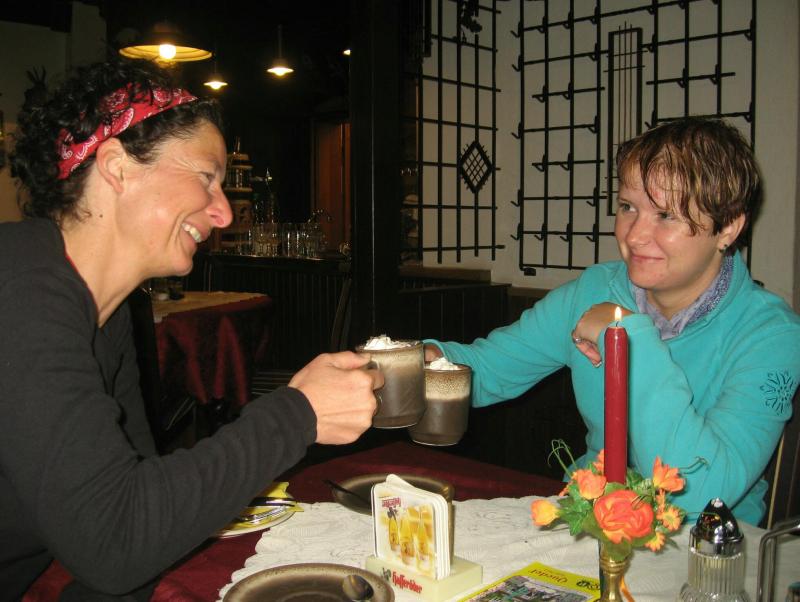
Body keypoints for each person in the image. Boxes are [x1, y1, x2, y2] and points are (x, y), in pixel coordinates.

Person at [1, 58, 382, 600]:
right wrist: (298, 414)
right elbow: (115, 541)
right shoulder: (19, 289)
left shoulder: (109, 313)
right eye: (206, 177)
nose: (223, 213)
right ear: (117, 167)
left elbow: (138, 528)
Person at [426, 117, 800, 525]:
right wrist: (405, 369)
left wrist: (627, 337)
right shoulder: (592, 293)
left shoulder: (771, 335)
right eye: (627, 207)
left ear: (728, 227)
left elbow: (703, 492)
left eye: (665, 215)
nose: (635, 234)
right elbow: (486, 371)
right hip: (591, 523)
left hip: (705, 547)